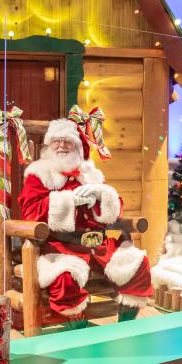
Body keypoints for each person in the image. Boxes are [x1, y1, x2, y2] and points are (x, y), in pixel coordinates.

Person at [18, 117, 153, 327]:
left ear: (78, 147)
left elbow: (115, 210)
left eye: (68, 141)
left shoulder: (90, 174)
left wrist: (102, 194)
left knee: (137, 264)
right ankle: (77, 330)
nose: (62, 145)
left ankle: (127, 326)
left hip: (97, 245)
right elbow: (30, 211)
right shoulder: (40, 174)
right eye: (56, 141)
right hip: (60, 246)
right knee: (64, 278)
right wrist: (68, 201)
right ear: (49, 145)